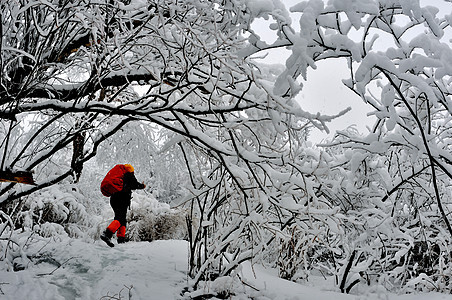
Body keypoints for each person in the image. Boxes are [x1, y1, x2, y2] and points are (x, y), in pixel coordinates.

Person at [100, 164, 145, 247]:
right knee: (120, 218)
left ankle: (121, 239)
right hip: (122, 199)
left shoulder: (120, 177)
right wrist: (142, 186)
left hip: (113, 198)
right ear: (131, 170)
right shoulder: (129, 175)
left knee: (121, 218)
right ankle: (107, 234)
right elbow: (134, 184)